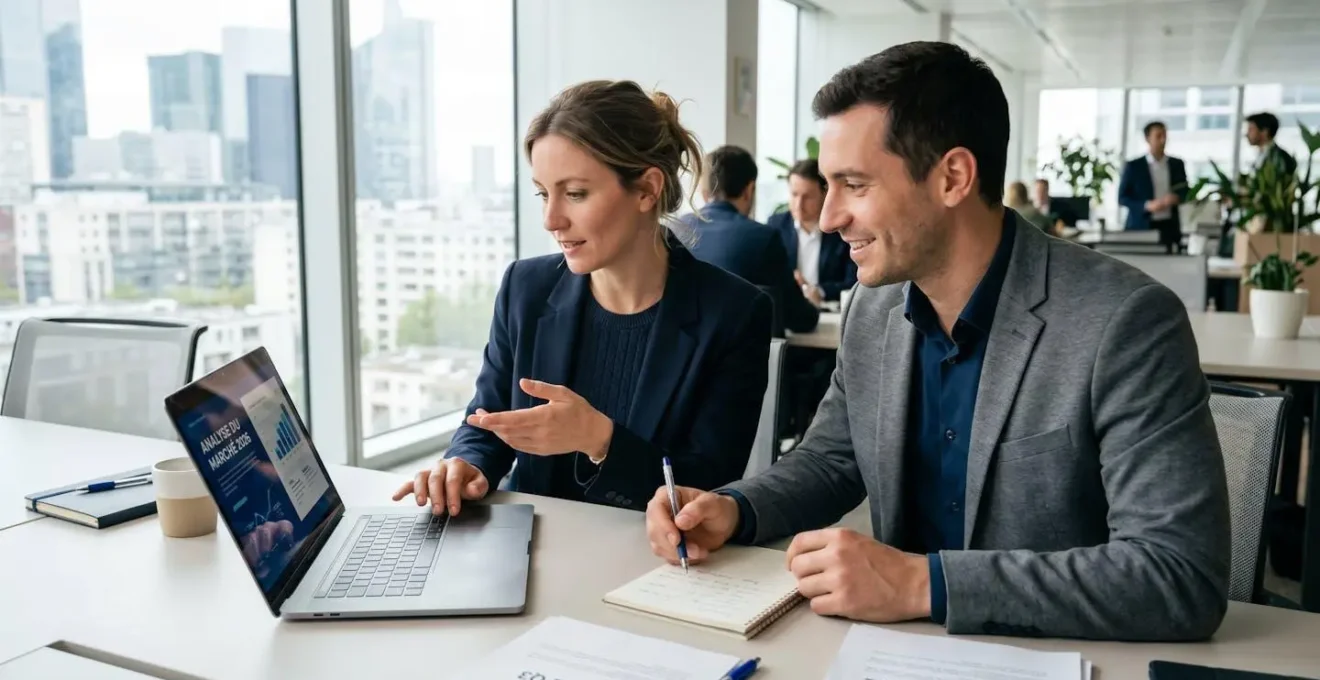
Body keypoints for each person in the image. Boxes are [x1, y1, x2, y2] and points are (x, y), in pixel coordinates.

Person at [646, 42, 1229, 642]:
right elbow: (831, 459)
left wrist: (921, 584)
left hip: (1055, 654)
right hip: (892, 652)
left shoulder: (1124, 323)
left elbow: (1179, 574)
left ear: (952, 177)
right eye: (828, 185)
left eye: (854, 184)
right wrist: (735, 508)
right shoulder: (874, 307)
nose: (829, 217)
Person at [392, 80, 772, 515]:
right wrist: (466, 463)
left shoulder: (735, 314)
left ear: (647, 189)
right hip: (530, 555)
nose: (551, 219)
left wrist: (600, 441)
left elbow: (706, 486)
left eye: (574, 194)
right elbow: (487, 420)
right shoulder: (525, 287)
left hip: (649, 567)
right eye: (543, 193)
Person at [681, 145, 819, 334]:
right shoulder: (763, 238)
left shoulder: (675, 229)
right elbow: (799, 318)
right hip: (746, 360)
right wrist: (813, 306)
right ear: (749, 189)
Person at [766, 159, 857, 303]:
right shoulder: (775, 226)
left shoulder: (841, 227)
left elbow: (854, 282)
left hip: (832, 313)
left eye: (807, 197)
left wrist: (819, 291)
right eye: (794, 195)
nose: (799, 204)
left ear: (824, 194)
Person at [1118, 120, 1189, 254]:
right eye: (1158, 136)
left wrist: (1176, 198)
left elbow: (1185, 192)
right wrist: (1147, 205)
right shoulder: (1134, 166)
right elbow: (1122, 198)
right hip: (1141, 226)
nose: (1163, 140)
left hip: (1169, 226)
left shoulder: (1177, 164)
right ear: (1147, 139)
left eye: (1164, 135)